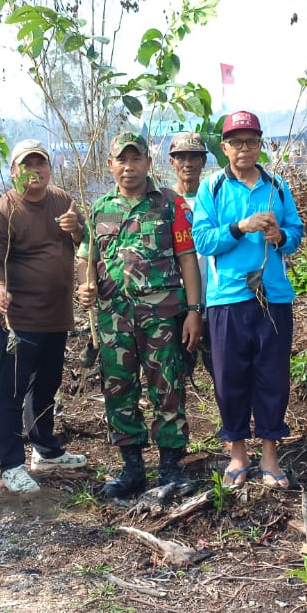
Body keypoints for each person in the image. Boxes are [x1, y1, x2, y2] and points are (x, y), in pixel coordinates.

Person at [76, 132, 205, 497]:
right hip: (114, 319)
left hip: (161, 317)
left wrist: (194, 311)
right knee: (118, 389)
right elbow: (87, 257)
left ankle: (170, 466)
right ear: (111, 165)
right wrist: (83, 286)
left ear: (148, 163)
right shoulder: (100, 208)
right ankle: (132, 467)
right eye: (122, 160)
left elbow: (186, 259)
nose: (129, 167)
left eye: (136, 160)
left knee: (167, 387)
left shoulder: (170, 203)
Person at [192, 111, 304, 489]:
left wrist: (279, 236)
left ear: (261, 146)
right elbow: (203, 240)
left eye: (251, 142)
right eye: (236, 142)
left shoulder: (277, 186)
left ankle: (270, 454)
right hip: (227, 298)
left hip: (272, 296)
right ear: (223, 148)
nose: (244, 149)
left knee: (272, 375)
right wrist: (241, 227)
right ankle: (237, 452)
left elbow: (295, 234)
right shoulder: (212, 188)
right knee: (229, 378)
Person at [0, 139, 87, 494]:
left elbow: (85, 240)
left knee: (47, 384)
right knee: (11, 391)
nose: (34, 171)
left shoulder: (61, 200)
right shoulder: (4, 210)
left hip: (57, 316)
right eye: (26, 165)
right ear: (13, 172)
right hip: (19, 318)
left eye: (39, 163)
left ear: (49, 167)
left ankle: (45, 450)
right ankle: (11, 464)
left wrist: (76, 229)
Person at [167, 131, 215, 385]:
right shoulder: (163, 202)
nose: (188, 163)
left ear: (204, 161)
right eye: (181, 156)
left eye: (194, 156)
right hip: (175, 306)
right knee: (174, 379)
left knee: (223, 374)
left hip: (215, 300)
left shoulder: (216, 197)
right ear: (171, 161)